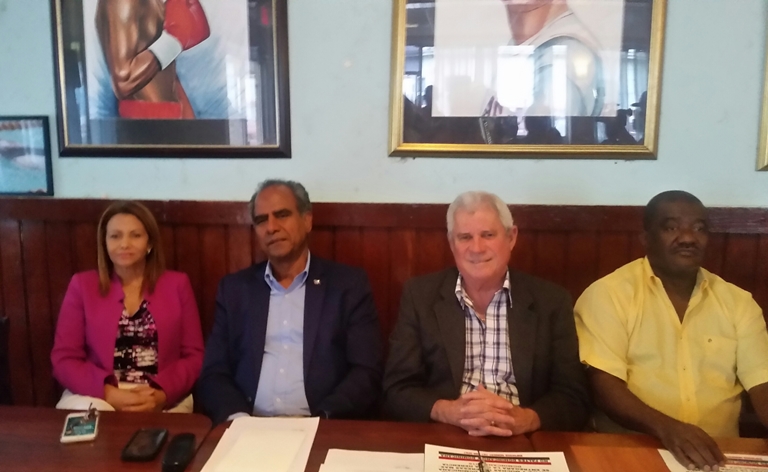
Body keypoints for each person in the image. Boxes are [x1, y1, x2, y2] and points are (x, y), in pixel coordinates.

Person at [575, 191, 768, 470]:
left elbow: (762, 383)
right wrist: (668, 429)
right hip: (631, 450)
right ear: (646, 238)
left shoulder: (738, 302)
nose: (688, 238)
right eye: (671, 228)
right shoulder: (608, 295)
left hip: (719, 455)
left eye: (699, 228)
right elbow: (604, 386)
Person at [383, 191, 588, 436]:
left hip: (524, 436)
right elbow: (396, 389)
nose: (477, 248)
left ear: (511, 237)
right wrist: (449, 412)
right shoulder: (420, 296)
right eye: (465, 237)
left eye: (488, 235)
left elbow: (573, 396)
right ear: (452, 244)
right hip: (447, 433)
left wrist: (527, 419)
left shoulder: (551, 301)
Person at [197, 179, 383, 424]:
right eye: (261, 220)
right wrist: (240, 420)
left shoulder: (347, 286)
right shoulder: (235, 290)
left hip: (322, 424)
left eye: (282, 215)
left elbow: (366, 371)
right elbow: (214, 372)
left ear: (307, 220)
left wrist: (322, 419)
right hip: (249, 424)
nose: (271, 227)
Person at [51, 201, 204, 412]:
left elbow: (194, 356)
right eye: (115, 236)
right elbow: (64, 359)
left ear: (150, 242)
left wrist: (162, 394)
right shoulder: (82, 285)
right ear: (104, 242)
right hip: (96, 394)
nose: (124, 244)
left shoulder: (178, 284)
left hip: (161, 396)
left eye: (135, 235)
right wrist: (108, 393)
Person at [95, 0, 210, 119]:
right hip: (144, 120)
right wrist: (174, 40)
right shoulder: (122, 2)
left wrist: (187, 120)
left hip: (169, 116)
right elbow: (124, 82)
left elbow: (163, 75)